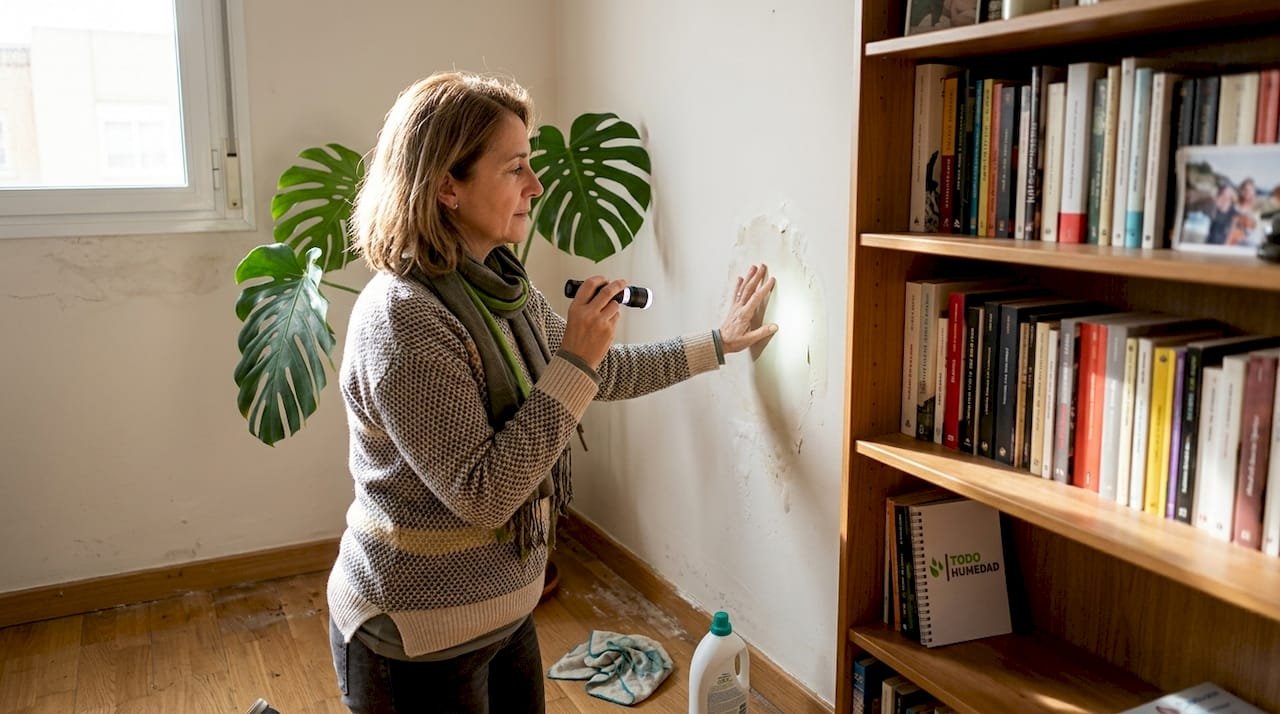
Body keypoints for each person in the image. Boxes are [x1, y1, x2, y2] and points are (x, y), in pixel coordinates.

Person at [326, 71, 778, 714]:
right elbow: (484, 495)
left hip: (504, 609)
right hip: (414, 633)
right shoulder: (402, 317)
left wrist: (717, 343)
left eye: (531, 165)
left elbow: (601, 372)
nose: (535, 186)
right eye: (515, 169)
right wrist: (574, 360)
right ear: (447, 186)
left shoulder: (499, 285)